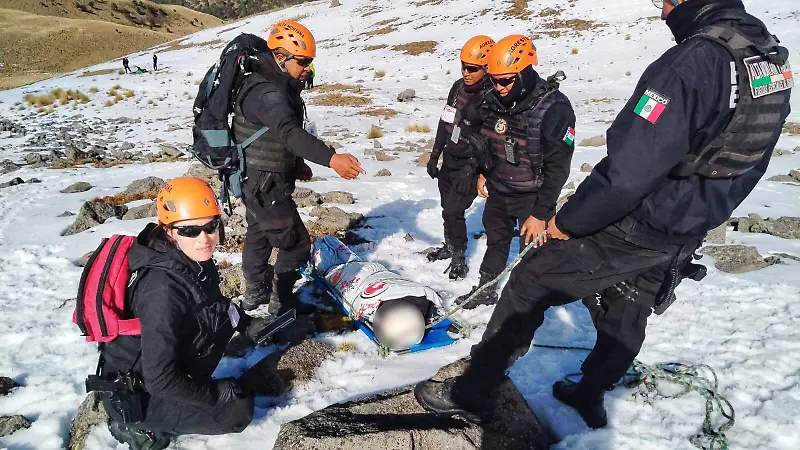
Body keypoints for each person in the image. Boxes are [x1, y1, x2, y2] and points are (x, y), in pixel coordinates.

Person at [414, 0, 791, 430]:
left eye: (664, 1)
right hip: (689, 225)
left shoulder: (693, 62)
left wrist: (567, 221)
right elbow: (750, 160)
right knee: (629, 306)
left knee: (531, 279)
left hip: (643, 219)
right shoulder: (767, 56)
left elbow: (628, 170)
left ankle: (472, 390)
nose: (662, 12)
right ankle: (590, 392)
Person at [100, 177, 279, 450]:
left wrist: (246, 323)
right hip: (140, 393)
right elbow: (159, 379)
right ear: (168, 230)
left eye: (211, 226)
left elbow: (214, 304)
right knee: (237, 412)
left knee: (218, 322)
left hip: (162, 371)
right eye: (190, 231)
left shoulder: (188, 259)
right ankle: (135, 426)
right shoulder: (162, 290)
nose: (204, 239)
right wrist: (214, 396)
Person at [233, 20, 365, 314]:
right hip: (265, 183)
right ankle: (282, 302)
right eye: (303, 62)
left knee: (259, 233)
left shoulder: (266, 81)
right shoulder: (269, 94)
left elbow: (273, 135)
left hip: (254, 178)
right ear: (281, 57)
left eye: (310, 63)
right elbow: (289, 132)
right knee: (296, 244)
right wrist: (332, 159)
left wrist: (297, 164)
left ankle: (255, 295)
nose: (308, 70)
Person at [454, 34, 576, 308]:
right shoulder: (492, 99)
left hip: (532, 196)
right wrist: (484, 171)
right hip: (499, 189)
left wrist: (541, 212)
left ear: (525, 71)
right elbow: (487, 140)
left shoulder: (554, 109)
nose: (499, 86)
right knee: (495, 242)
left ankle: (524, 304)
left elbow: (559, 165)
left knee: (530, 256)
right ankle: (485, 289)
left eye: (506, 80)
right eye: (495, 79)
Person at [425, 35, 495, 280]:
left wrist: (473, 170)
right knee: (447, 208)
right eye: (463, 66)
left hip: (470, 166)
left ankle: (459, 256)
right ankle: (450, 245)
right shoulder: (457, 87)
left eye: (473, 69)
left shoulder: (492, 98)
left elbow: (490, 142)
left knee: (453, 211)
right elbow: (445, 122)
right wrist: (435, 155)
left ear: (487, 68)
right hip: (450, 159)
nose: (466, 72)